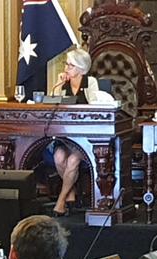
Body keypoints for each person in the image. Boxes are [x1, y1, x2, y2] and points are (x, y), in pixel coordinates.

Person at [47, 48, 99, 216]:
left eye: (71, 65)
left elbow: (95, 106)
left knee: (72, 161)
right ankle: (71, 193)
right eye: (66, 64)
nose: (66, 69)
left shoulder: (90, 82)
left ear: (81, 69)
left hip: (85, 138)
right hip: (65, 135)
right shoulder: (64, 84)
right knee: (58, 157)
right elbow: (51, 105)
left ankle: (61, 201)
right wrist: (59, 85)